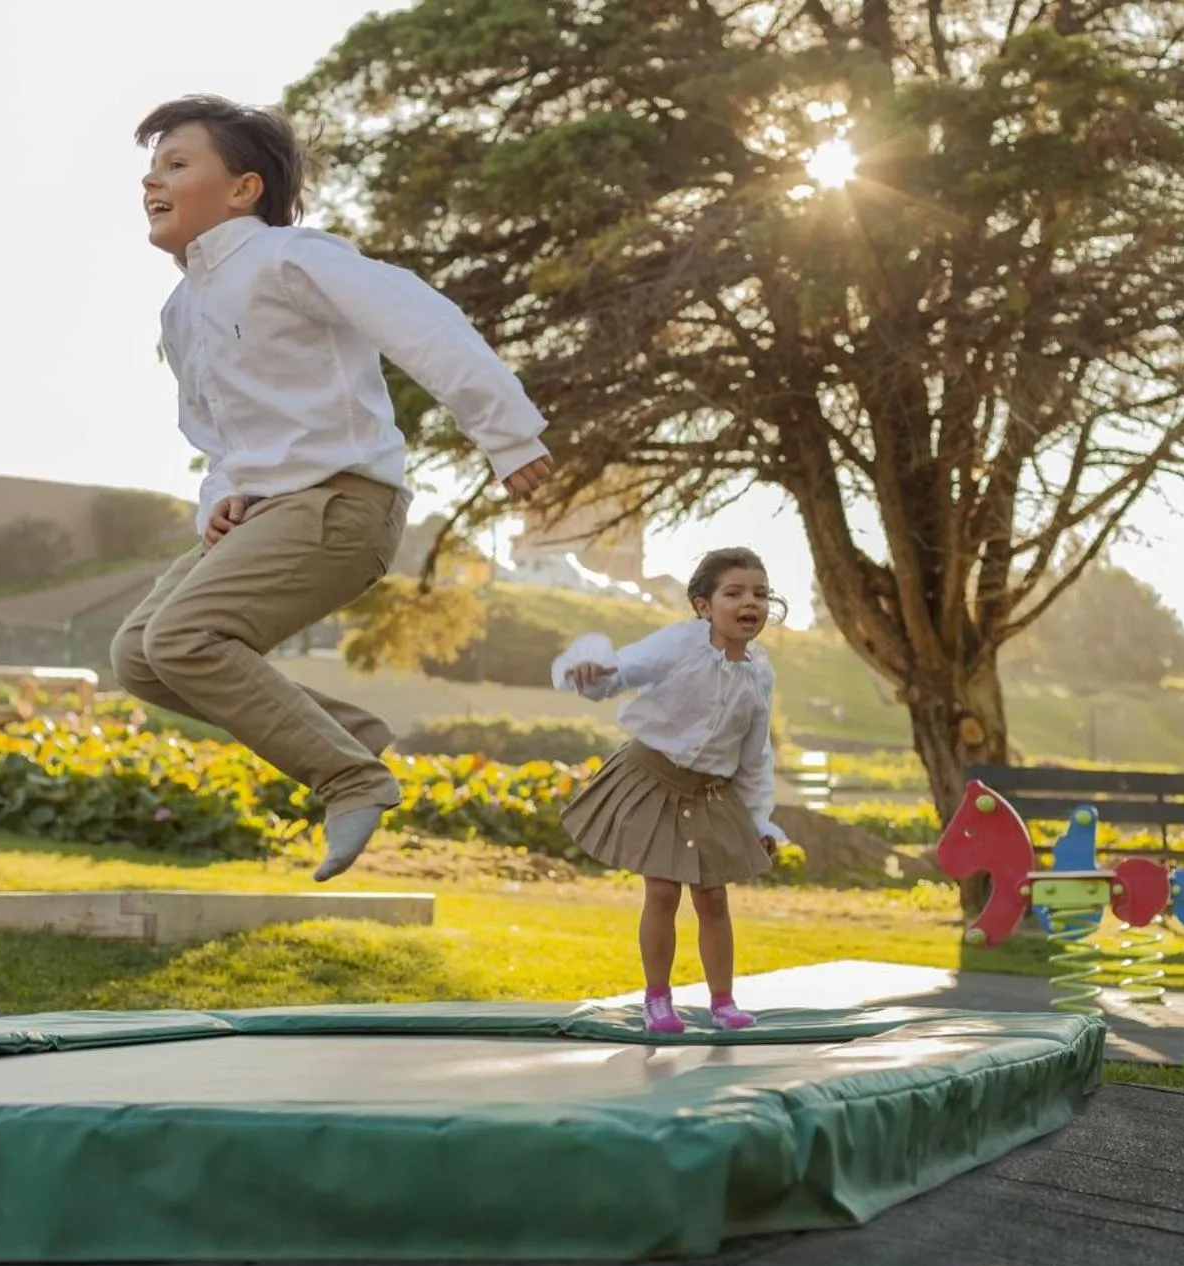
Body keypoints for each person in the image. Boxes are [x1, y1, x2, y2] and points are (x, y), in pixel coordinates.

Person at [109, 95, 553, 881]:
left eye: (177, 164)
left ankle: (349, 776)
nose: (153, 181)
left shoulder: (291, 258)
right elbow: (216, 440)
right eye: (150, 168)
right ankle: (351, 738)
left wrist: (507, 434)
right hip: (267, 513)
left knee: (183, 638)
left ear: (244, 189)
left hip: (344, 503)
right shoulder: (181, 312)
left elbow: (422, 322)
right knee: (141, 657)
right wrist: (220, 498)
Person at [556, 548, 786, 1034]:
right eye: (735, 593)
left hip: (710, 791)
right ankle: (657, 1000)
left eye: (761, 594)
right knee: (662, 891)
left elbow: (754, 755)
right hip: (652, 777)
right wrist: (594, 672)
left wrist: (759, 819)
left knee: (712, 897)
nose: (751, 603)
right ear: (703, 606)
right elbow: (625, 670)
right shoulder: (680, 645)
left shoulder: (759, 674)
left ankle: (722, 1001)